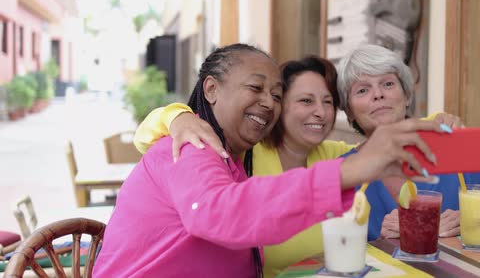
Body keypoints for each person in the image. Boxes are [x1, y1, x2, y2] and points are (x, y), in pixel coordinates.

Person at [93, 43, 444, 278]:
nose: (268, 102)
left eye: (276, 94)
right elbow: (224, 212)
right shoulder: (188, 147)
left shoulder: (233, 162)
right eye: (256, 88)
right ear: (212, 89)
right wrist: (175, 116)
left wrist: (438, 125)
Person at [334, 44, 480, 241]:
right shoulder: (341, 173)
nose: (378, 94)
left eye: (388, 84)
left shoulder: (453, 149)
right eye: (363, 90)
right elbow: (334, 249)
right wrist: (378, 245)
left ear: (407, 96)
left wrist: (473, 224)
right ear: (349, 113)